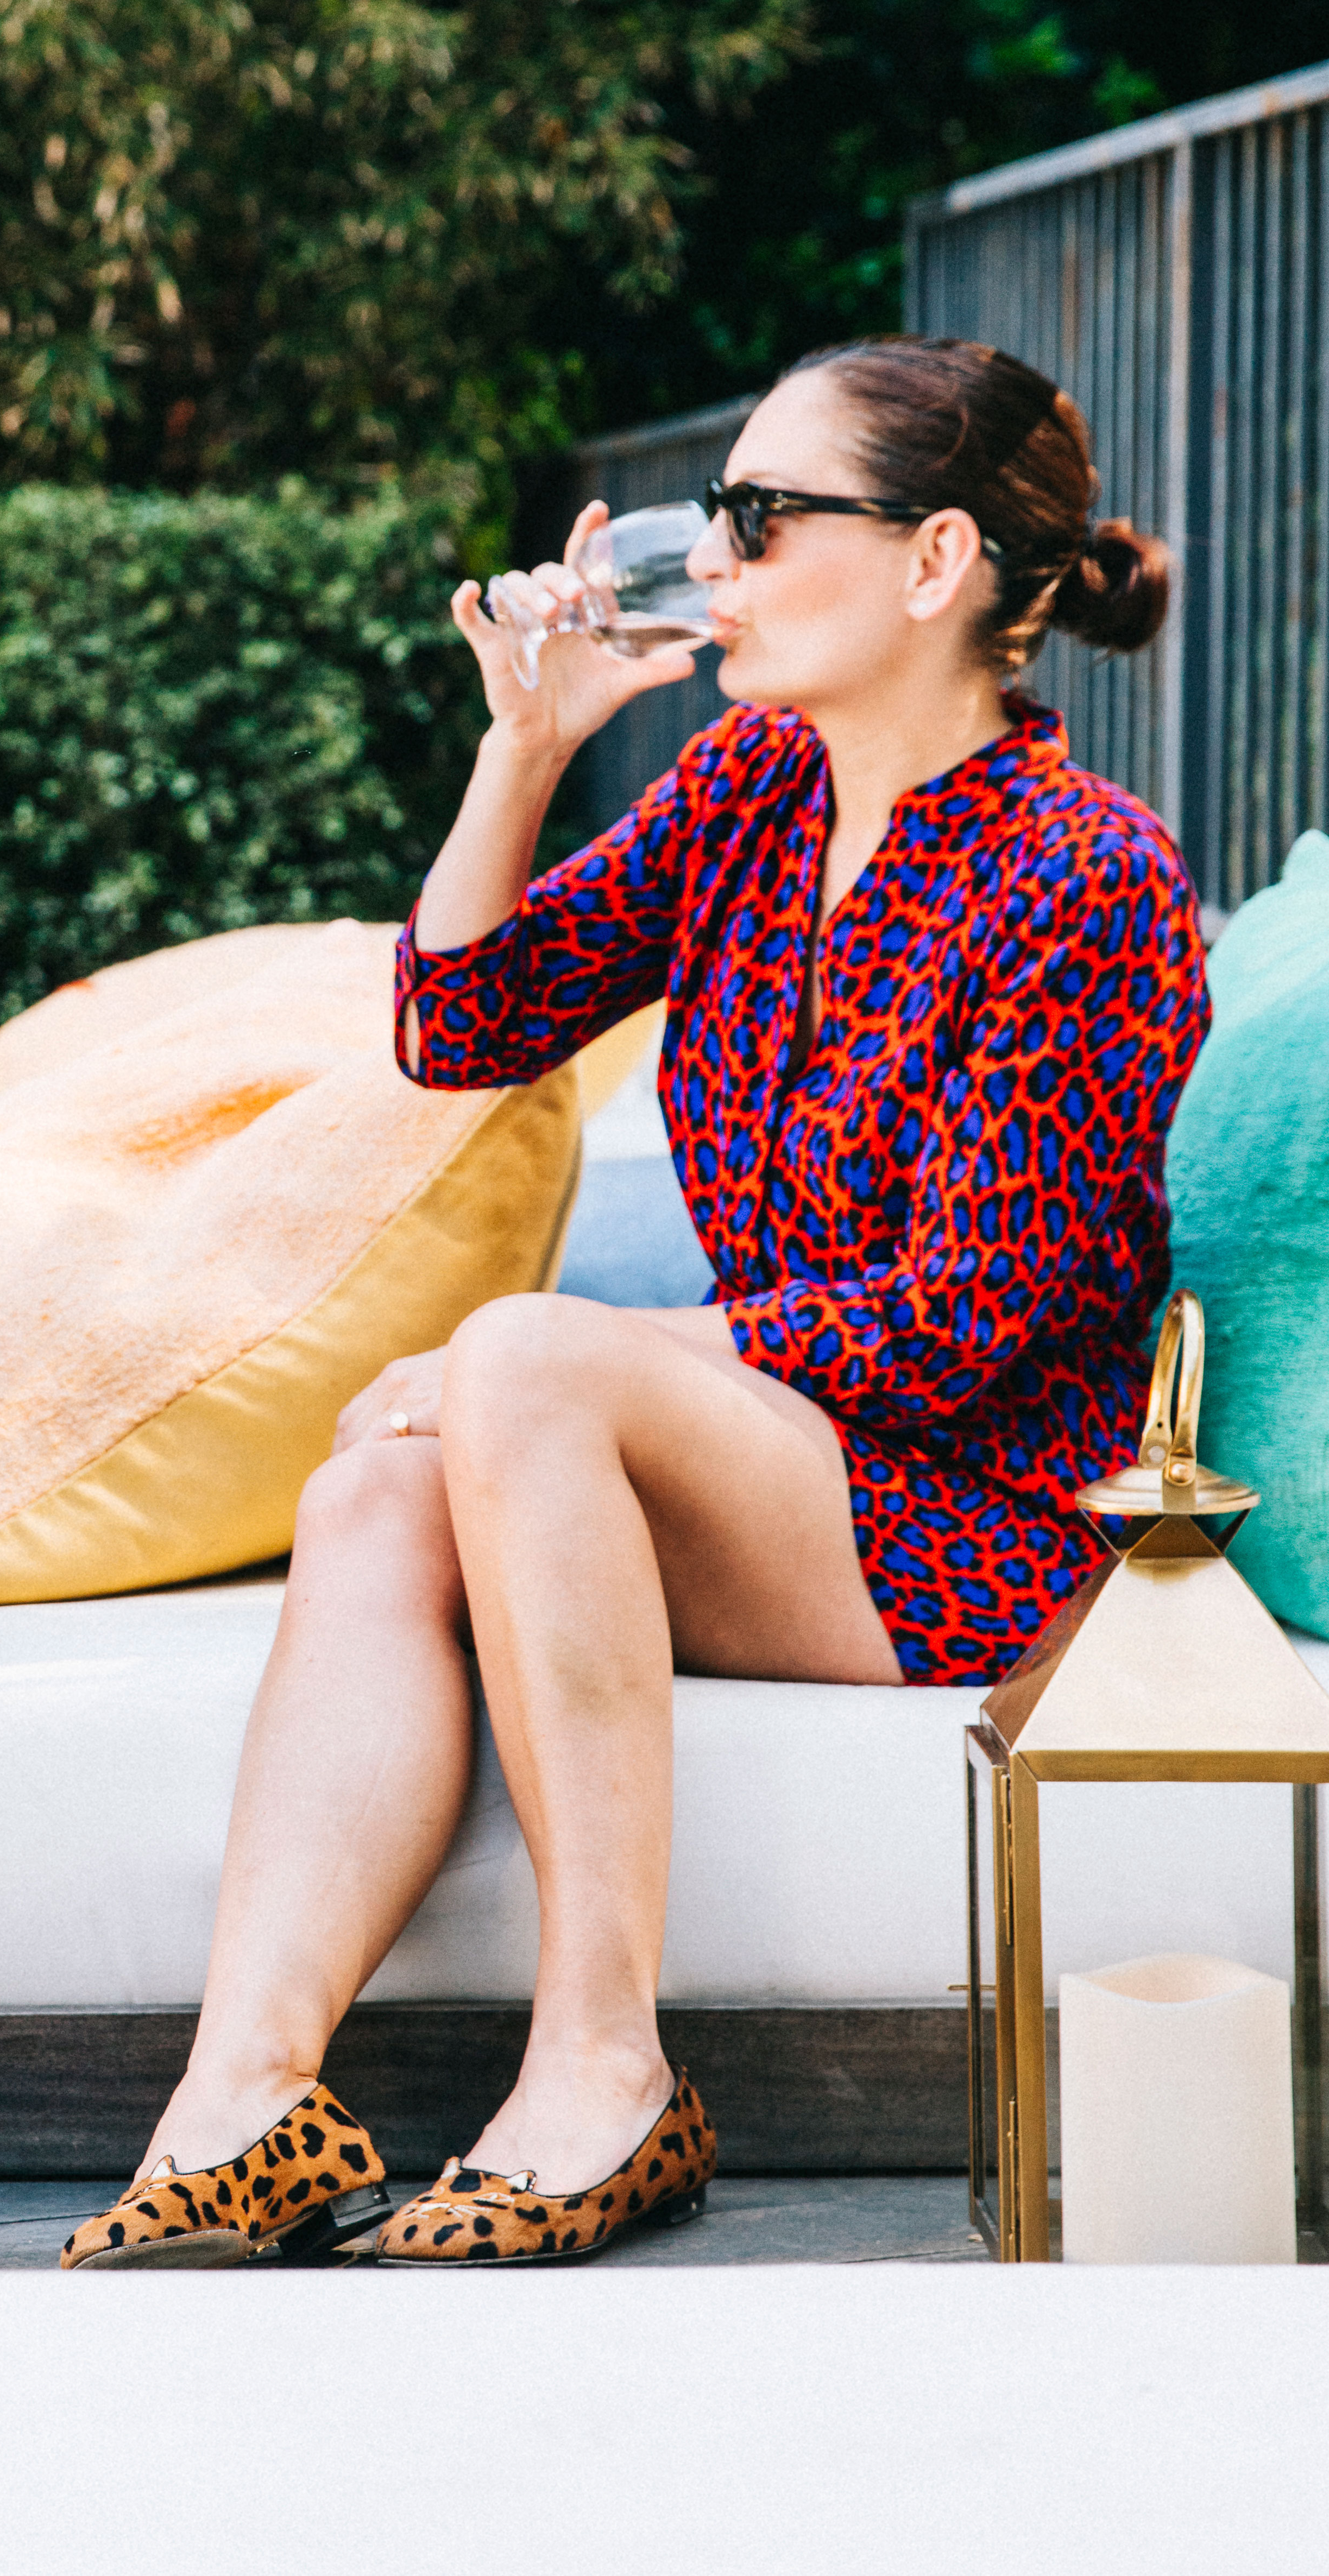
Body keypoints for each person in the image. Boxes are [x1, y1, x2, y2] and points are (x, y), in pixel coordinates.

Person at [61, 334, 1206, 2274]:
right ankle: (243, 2098)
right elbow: (458, 1024)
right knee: (371, 1496)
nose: (717, 557)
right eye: (719, 517)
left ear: (934, 563)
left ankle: (603, 2071)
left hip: (984, 1513)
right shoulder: (746, 790)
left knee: (508, 1364)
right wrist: (521, 743)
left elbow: (963, 1328)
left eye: (762, 518)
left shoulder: (1092, 877)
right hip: (780, 1467)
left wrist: (548, 1363)